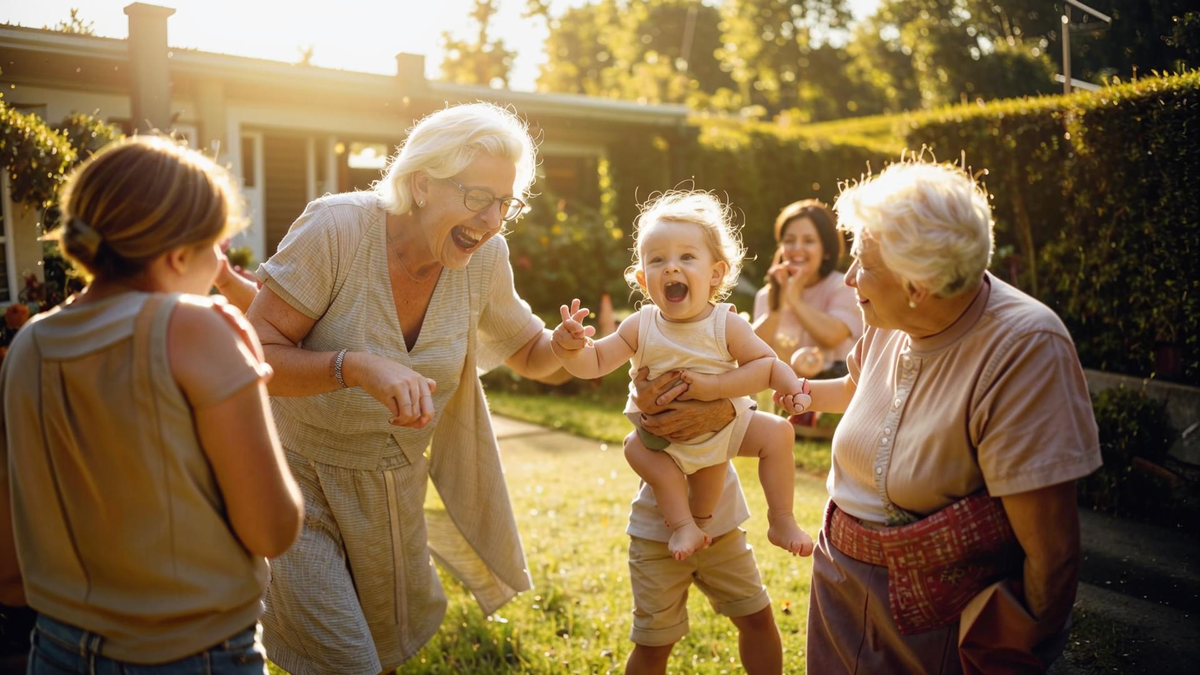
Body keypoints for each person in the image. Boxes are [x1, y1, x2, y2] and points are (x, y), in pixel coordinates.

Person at [245, 102, 567, 674]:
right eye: (478, 198)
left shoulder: (484, 257)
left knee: (384, 656)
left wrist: (570, 347)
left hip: (394, 491)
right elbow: (255, 354)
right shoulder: (336, 229)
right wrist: (356, 366)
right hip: (297, 481)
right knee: (348, 662)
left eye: (504, 204)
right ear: (421, 184)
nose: (493, 220)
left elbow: (533, 353)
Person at [0, 135, 303, 673]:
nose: (220, 267)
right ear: (178, 253)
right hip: (193, 652)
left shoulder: (29, 345)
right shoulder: (196, 330)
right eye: (219, 248)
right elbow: (273, 530)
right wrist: (248, 361)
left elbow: (8, 558)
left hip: (55, 648)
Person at [789, 160, 1101, 673]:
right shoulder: (889, 316)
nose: (848, 278)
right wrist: (791, 392)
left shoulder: (1024, 347)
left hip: (940, 624)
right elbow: (859, 388)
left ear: (919, 284)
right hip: (839, 590)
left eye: (863, 262)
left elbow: (1053, 556)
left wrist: (1010, 649)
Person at [753, 199, 861, 379]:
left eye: (809, 241)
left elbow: (832, 336)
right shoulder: (767, 294)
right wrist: (777, 308)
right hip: (783, 394)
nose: (797, 249)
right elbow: (753, 351)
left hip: (832, 393)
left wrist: (794, 299)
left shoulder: (845, 286)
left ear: (826, 251)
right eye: (789, 241)